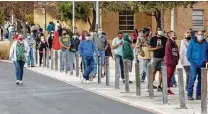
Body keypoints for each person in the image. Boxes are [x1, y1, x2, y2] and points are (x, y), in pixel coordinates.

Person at [187, 30, 208, 100]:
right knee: (192, 79)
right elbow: (188, 53)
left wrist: (206, 61)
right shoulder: (192, 42)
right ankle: (190, 94)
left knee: (201, 80)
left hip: (203, 64)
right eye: (199, 34)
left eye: (202, 34)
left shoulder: (206, 43)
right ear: (196, 35)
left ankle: (198, 95)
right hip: (194, 63)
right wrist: (191, 61)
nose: (200, 35)